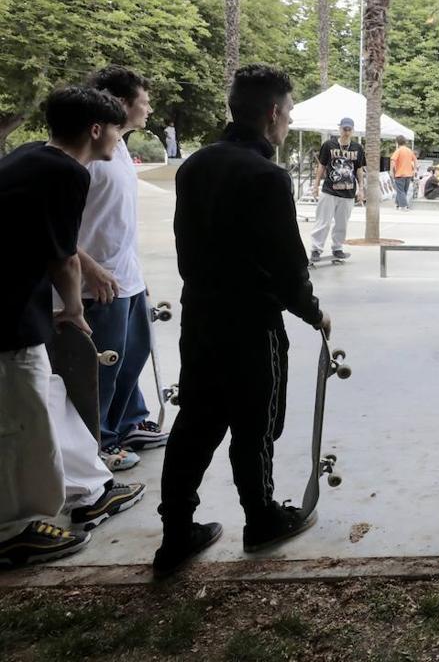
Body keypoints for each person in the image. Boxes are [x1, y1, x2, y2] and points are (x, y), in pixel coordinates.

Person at [154, 65, 330, 579]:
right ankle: (262, 518)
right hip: (251, 323)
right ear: (273, 113)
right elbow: (286, 264)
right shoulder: (266, 177)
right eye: (289, 111)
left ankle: (176, 534)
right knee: (254, 426)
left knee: (196, 423)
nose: (289, 120)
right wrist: (313, 312)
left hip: (201, 315)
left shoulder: (196, 165)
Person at [0, 86, 144, 568]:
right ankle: (14, 529)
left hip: (24, 304)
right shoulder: (66, 172)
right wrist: (76, 312)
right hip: (9, 316)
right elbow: (63, 257)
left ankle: (89, 488)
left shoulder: (30, 155)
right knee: (21, 420)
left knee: (48, 400)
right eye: (117, 130)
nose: (119, 141)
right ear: (96, 130)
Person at [79, 67, 168, 471]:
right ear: (120, 103)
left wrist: (138, 275)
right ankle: (99, 445)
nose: (149, 107)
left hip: (126, 277)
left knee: (135, 355)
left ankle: (129, 422)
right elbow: (58, 226)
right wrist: (91, 268)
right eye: (143, 100)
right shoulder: (88, 157)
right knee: (103, 371)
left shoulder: (119, 150)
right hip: (95, 285)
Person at [310, 116, 365, 265]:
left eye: (349, 129)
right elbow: (321, 166)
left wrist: (361, 189)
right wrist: (315, 186)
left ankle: (337, 247)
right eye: (344, 129)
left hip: (348, 192)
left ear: (352, 131)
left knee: (342, 223)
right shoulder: (329, 145)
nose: (346, 132)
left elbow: (359, 169)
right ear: (339, 128)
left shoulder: (357, 148)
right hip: (329, 190)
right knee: (323, 221)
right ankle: (316, 248)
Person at [390, 136, 417, 210]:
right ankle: (397, 204)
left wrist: (391, 171)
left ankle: (404, 206)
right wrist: (414, 170)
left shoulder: (398, 150)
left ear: (397, 142)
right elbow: (415, 160)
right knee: (403, 191)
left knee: (400, 191)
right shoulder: (409, 151)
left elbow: (392, 160)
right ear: (405, 142)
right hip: (409, 174)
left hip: (400, 174)